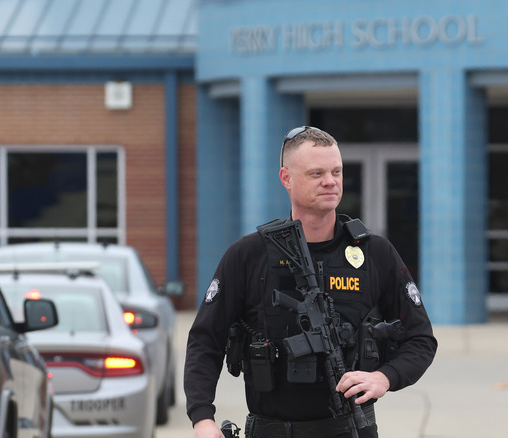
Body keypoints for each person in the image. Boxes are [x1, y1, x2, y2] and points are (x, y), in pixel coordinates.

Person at [185, 126, 437, 438]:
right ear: (286, 178)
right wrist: (202, 418)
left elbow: (421, 339)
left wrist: (385, 377)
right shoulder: (248, 255)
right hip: (270, 429)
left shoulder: (375, 253)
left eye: (336, 171)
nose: (330, 181)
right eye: (316, 173)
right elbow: (205, 340)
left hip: (349, 429)